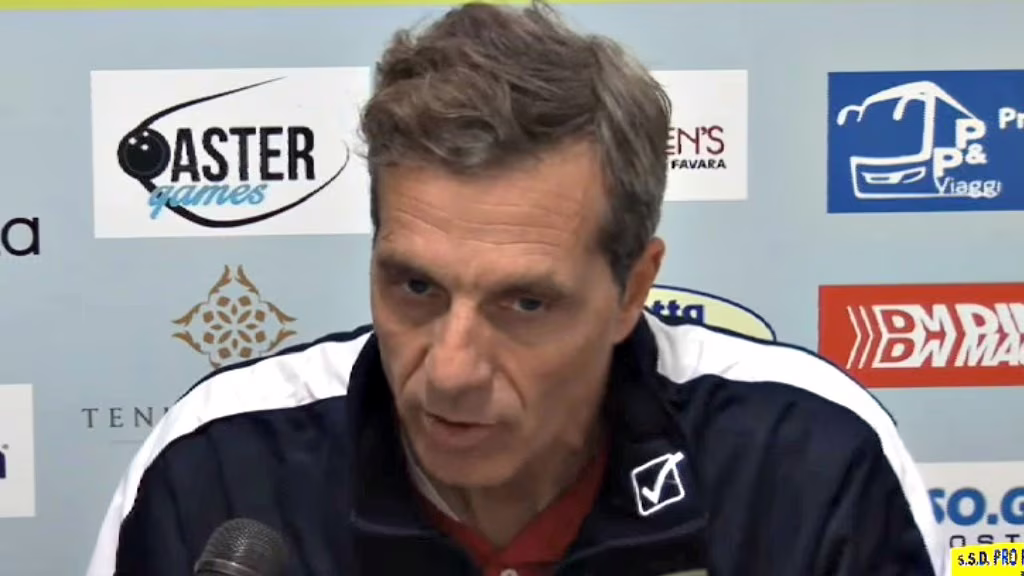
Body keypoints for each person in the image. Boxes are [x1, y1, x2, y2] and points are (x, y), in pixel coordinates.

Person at [86, 2, 948, 575]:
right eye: (415, 287)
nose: (451, 370)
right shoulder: (220, 467)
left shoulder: (807, 458)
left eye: (526, 304)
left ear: (633, 290)